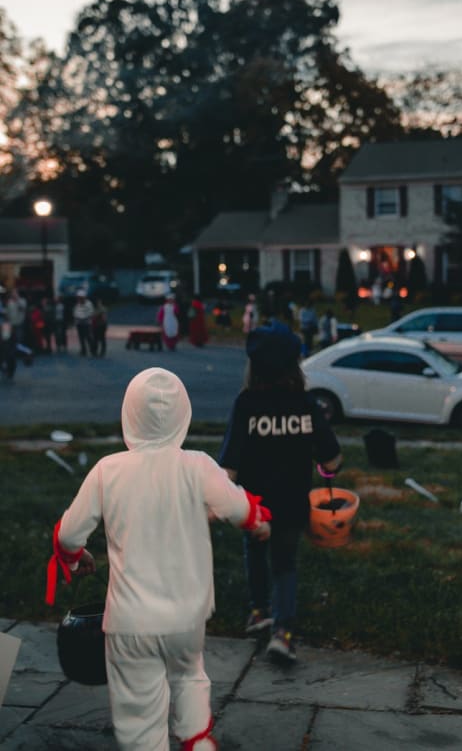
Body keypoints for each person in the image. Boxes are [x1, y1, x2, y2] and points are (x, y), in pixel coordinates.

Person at [45, 367, 271, 751]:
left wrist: (74, 554)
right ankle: (197, 741)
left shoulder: (107, 471)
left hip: (131, 622)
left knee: (139, 711)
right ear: (183, 415)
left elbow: (67, 534)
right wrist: (259, 522)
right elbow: (239, 507)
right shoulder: (198, 466)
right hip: (186, 617)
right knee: (189, 677)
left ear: (128, 415)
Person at [219, 321, 342, 663]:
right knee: (285, 564)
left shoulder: (245, 404)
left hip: (254, 505)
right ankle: (283, 634)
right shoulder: (305, 404)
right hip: (291, 504)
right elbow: (332, 459)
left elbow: (228, 467)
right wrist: (326, 469)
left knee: (255, 552)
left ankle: (259, 611)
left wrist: (222, 499)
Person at [73, 290, 95, 356]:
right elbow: (75, 312)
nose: (79, 299)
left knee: (89, 337)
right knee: (81, 337)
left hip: (86, 323)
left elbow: (91, 312)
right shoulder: (77, 304)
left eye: (80, 297)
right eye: (78, 297)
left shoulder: (89, 304)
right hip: (79, 323)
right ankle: (83, 350)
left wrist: (83, 317)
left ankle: (92, 350)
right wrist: (76, 318)